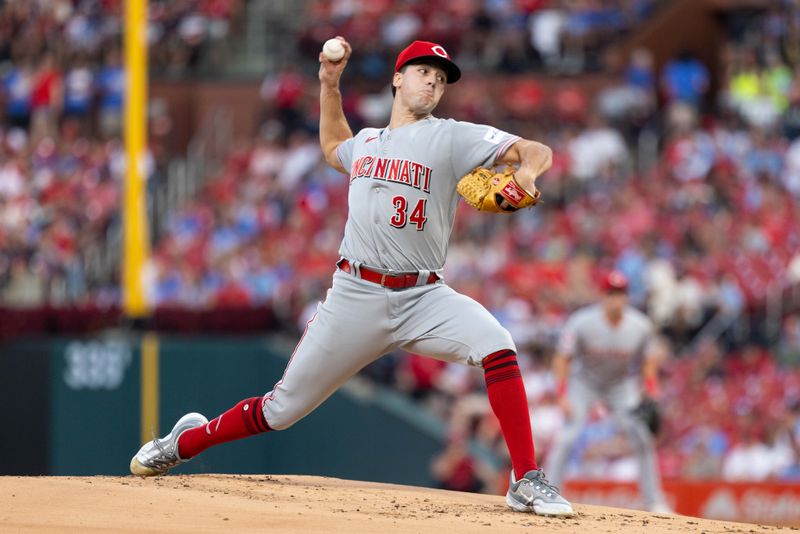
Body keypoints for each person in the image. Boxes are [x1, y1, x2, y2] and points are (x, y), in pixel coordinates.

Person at [130, 37, 575, 517]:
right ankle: (184, 442)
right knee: (280, 411)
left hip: (424, 295)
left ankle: (526, 478)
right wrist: (329, 84)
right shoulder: (367, 143)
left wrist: (526, 174)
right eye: (424, 70)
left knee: (497, 343)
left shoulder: (452, 136)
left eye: (442, 78)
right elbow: (331, 145)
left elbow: (537, 150)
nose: (434, 81)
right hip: (355, 295)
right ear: (397, 78)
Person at [544, 271, 671, 513]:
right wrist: (561, 394)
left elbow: (648, 362)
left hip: (620, 385)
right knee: (568, 436)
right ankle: (548, 492)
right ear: (602, 296)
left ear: (627, 297)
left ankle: (655, 501)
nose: (616, 299)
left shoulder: (640, 326)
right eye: (611, 294)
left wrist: (651, 389)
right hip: (584, 382)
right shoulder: (582, 322)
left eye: (621, 294)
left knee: (642, 437)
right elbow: (562, 359)